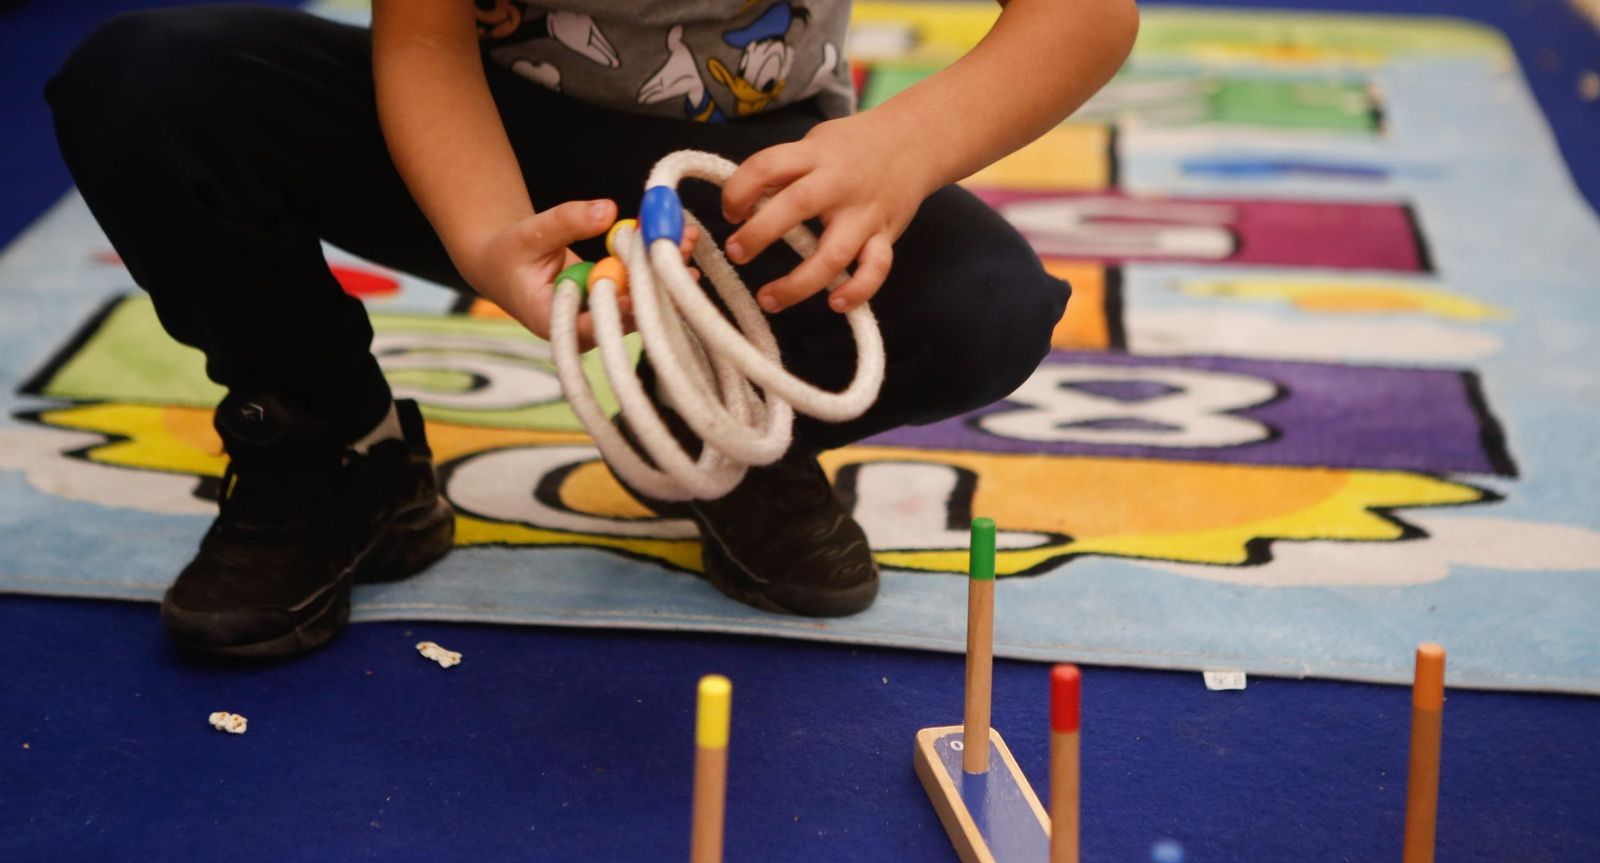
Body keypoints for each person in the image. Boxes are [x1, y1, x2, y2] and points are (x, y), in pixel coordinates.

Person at [45, 0, 1138, 658]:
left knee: (985, 304)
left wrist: (900, 151)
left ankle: (716, 421)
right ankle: (336, 452)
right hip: (476, 137)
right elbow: (423, 46)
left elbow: (1083, 17)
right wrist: (487, 241)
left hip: (744, 176)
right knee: (151, 83)